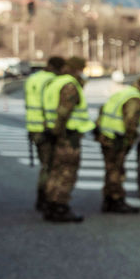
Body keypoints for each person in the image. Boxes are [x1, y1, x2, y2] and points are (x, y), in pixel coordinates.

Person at [41, 56, 95, 223]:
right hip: (67, 135)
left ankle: (50, 204)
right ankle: (60, 206)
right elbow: (64, 112)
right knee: (66, 172)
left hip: (55, 133)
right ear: (76, 69)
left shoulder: (54, 82)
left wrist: (51, 131)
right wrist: (58, 131)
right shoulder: (70, 85)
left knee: (55, 171)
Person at [96, 73, 140, 213]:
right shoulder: (135, 98)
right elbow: (130, 121)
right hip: (117, 139)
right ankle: (116, 199)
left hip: (106, 135)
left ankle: (109, 199)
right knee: (117, 170)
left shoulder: (126, 92)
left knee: (111, 169)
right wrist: (129, 140)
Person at [24, 55, 65, 212]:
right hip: (45, 128)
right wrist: (51, 127)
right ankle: (46, 198)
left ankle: (42, 198)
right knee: (50, 166)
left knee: (45, 165)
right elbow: (48, 104)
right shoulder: (52, 80)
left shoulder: (33, 79)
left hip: (33, 127)